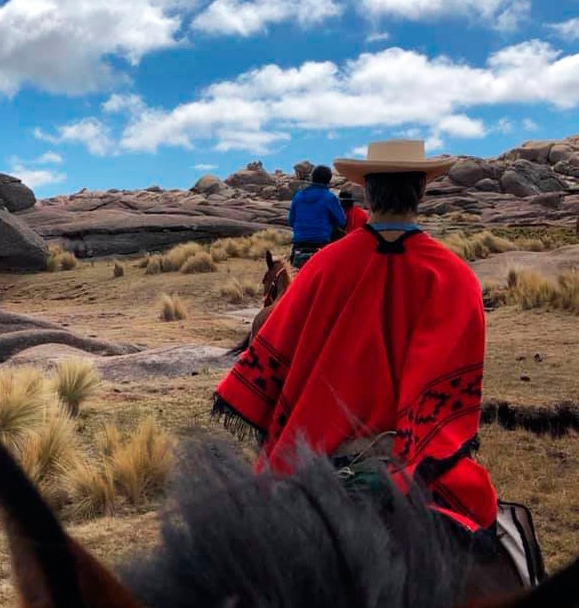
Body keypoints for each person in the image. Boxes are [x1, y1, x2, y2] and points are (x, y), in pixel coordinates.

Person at [213, 140, 498, 535]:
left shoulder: (321, 269)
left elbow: (273, 353)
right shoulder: (456, 278)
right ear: (422, 191)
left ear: (366, 190)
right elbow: (458, 388)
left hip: (317, 457)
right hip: (414, 461)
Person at [288, 165, 346, 269]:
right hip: (321, 244)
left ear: (312, 178)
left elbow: (291, 221)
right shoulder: (329, 197)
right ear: (329, 181)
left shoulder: (298, 196)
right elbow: (342, 222)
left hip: (299, 245)